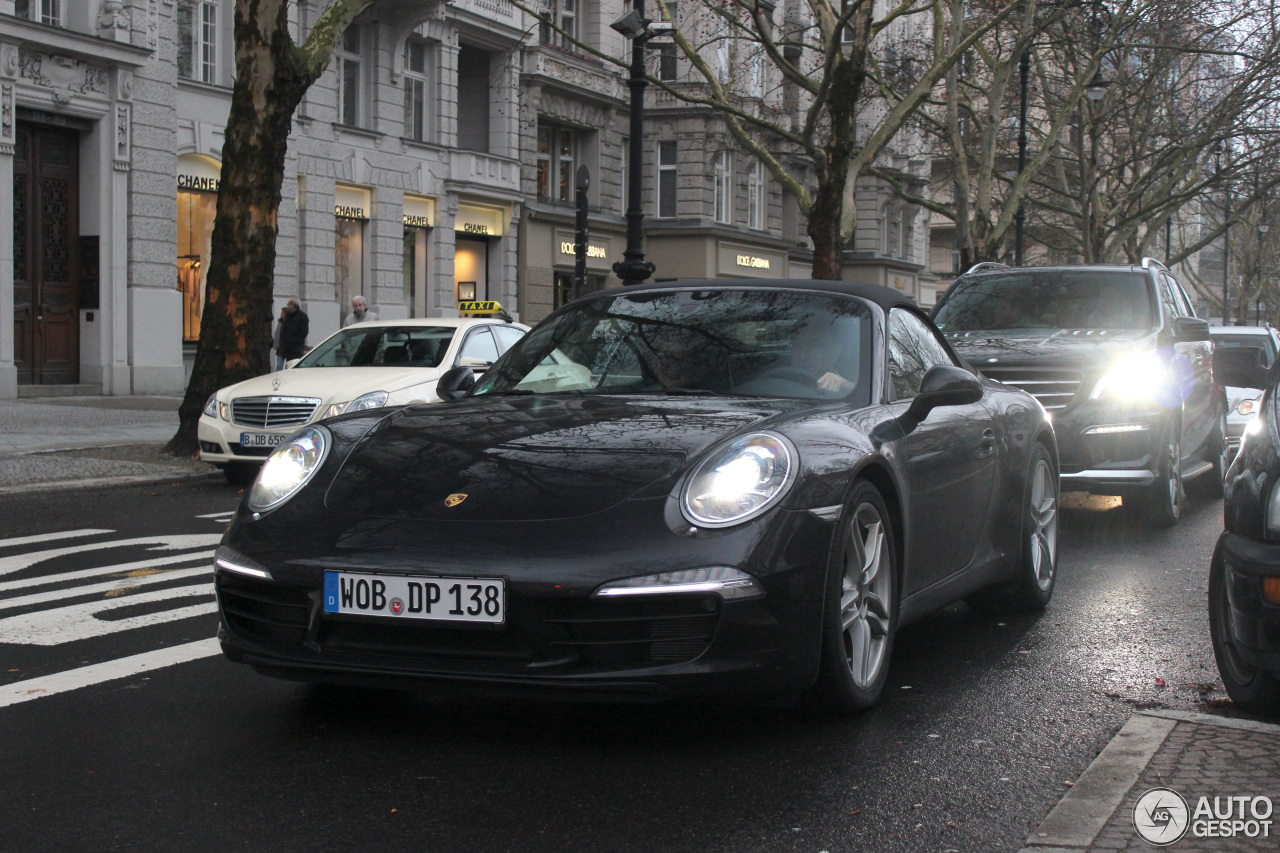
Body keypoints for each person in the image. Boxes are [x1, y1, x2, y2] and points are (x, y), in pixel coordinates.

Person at [791, 323, 856, 396]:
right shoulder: (782, 386)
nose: (802, 355)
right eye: (797, 344)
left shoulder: (848, 392)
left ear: (835, 352)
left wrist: (846, 387)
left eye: (814, 345)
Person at [278, 298, 309, 366]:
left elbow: (304, 332)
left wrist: (294, 341)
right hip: (286, 348)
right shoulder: (288, 316)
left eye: (288, 305)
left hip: (296, 349)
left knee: (293, 366)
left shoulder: (302, 317)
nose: (287, 307)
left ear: (293, 305)